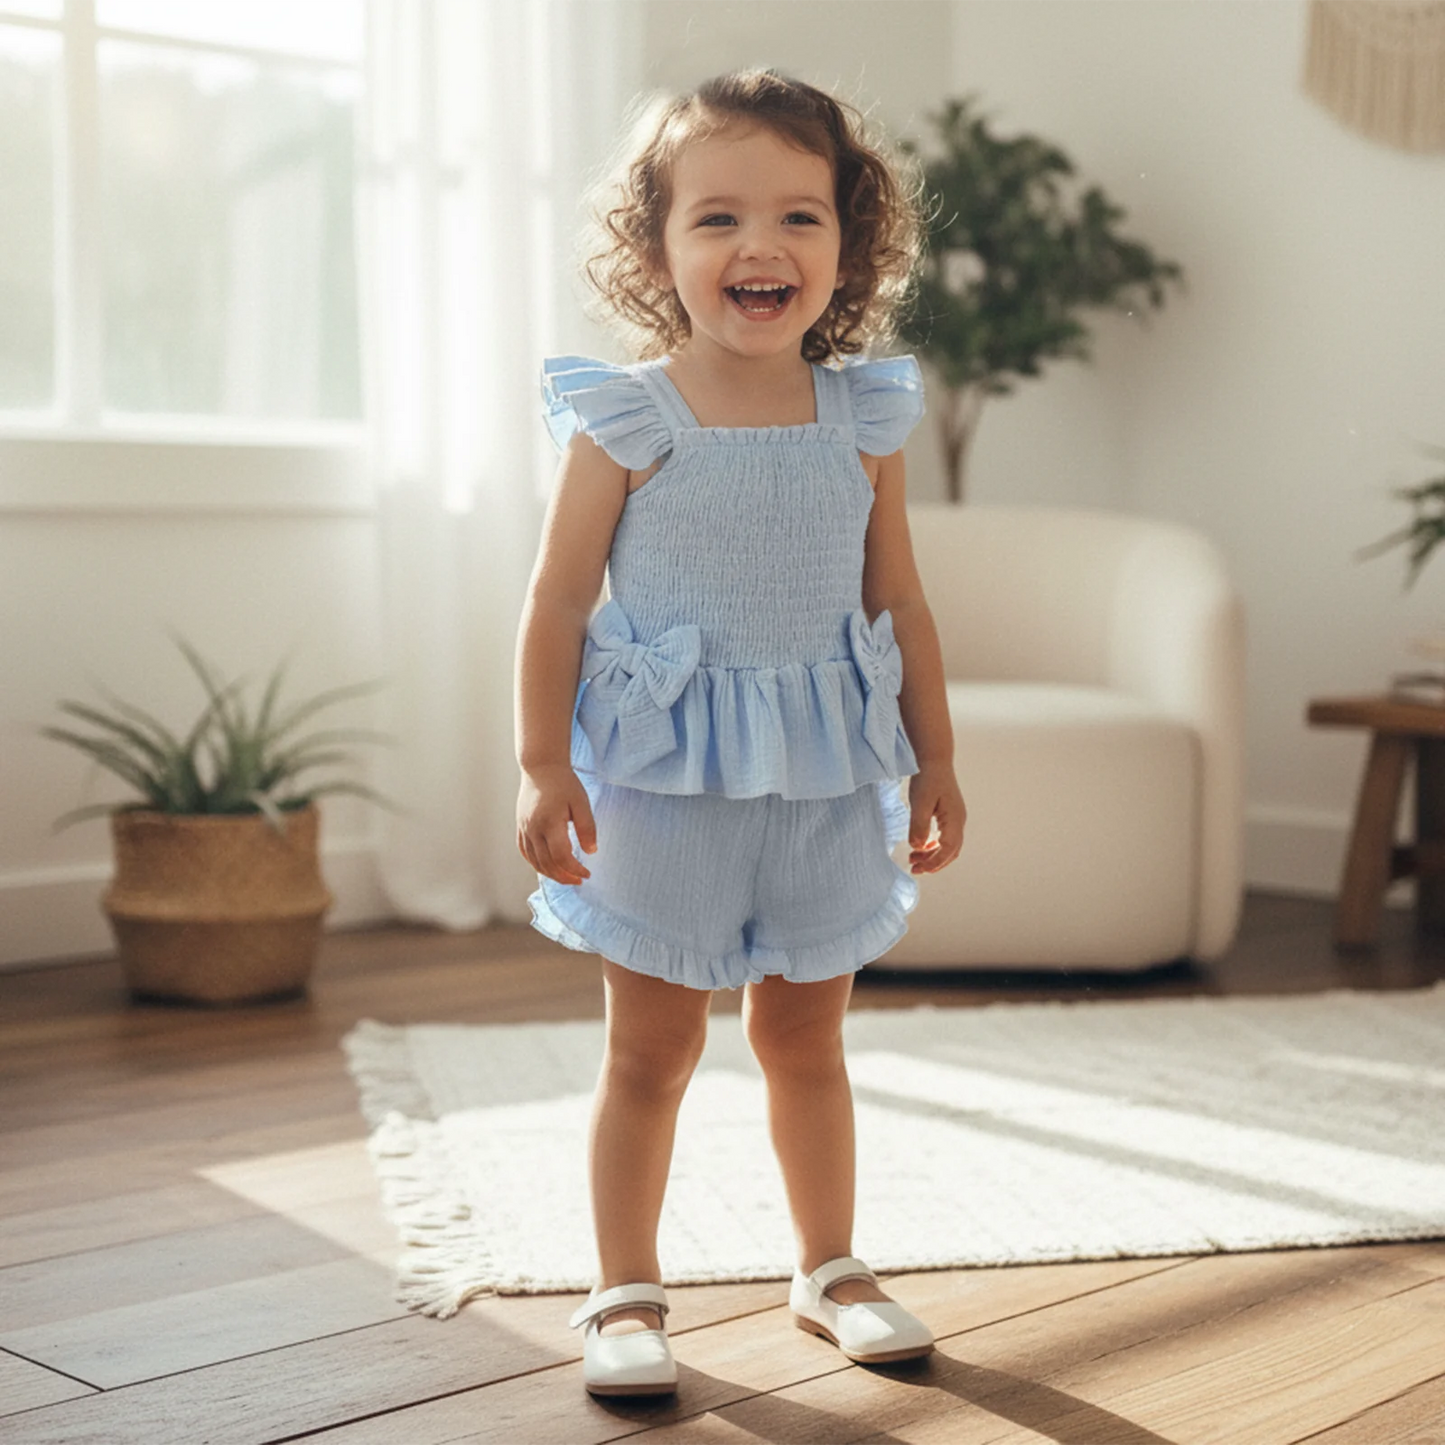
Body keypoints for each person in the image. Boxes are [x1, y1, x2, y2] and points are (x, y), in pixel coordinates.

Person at [514, 68, 966, 1398]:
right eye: (716, 219)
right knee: (649, 1051)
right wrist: (545, 762)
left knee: (805, 1042)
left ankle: (831, 1269)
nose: (759, 247)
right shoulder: (628, 418)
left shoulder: (866, 418)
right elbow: (554, 602)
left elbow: (902, 599)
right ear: (656, 250)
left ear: (850, 243)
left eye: (798, 218)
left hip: (827, 783)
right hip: (662, 787)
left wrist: (937, 754)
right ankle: (623, 1294)